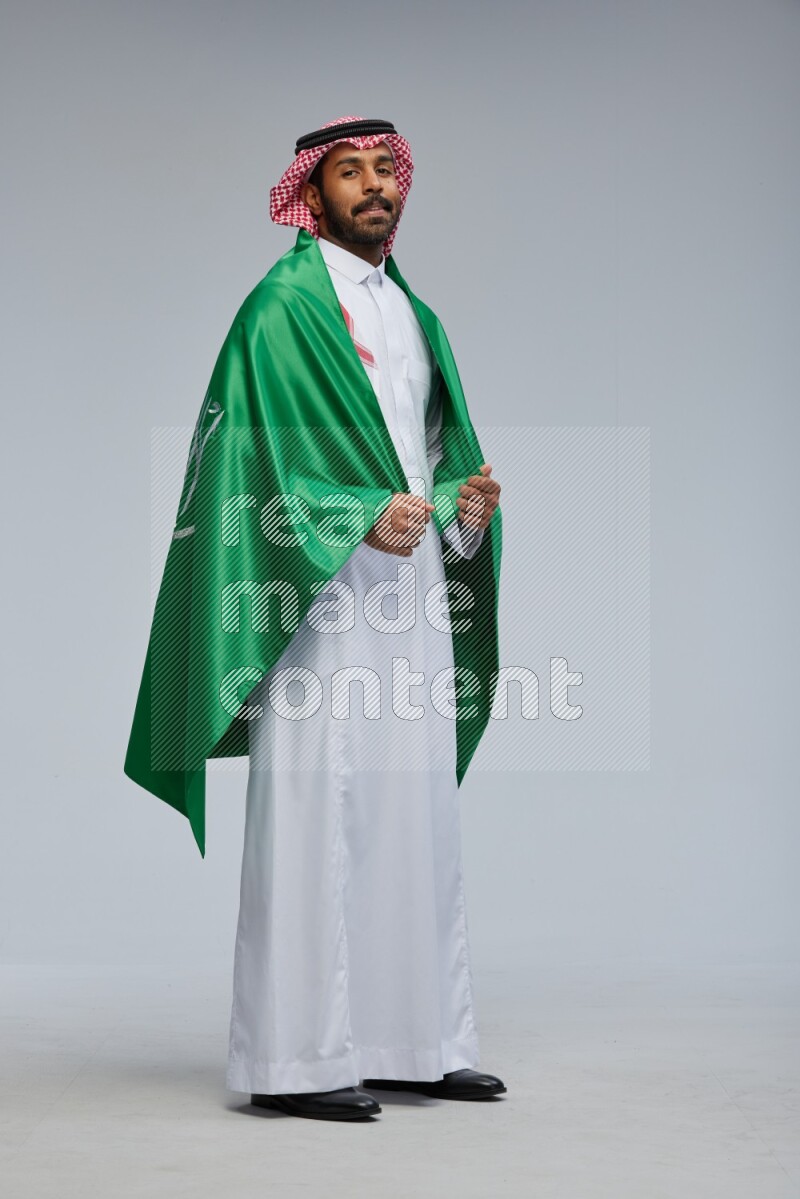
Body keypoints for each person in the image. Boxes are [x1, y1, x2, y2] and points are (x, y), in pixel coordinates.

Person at [124, 115, 504, 1123]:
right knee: (311, 815)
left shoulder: (415, 316)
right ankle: (293, 1059)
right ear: (312, 191)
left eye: (385, 169)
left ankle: (417, 1041)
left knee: (410, 812)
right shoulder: (281, 310)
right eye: (350, 172)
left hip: (411, 601)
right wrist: (350, 513)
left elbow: (434, 457)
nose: (373, 186)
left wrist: (463, 509)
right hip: (312, 605)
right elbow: (251, 470)